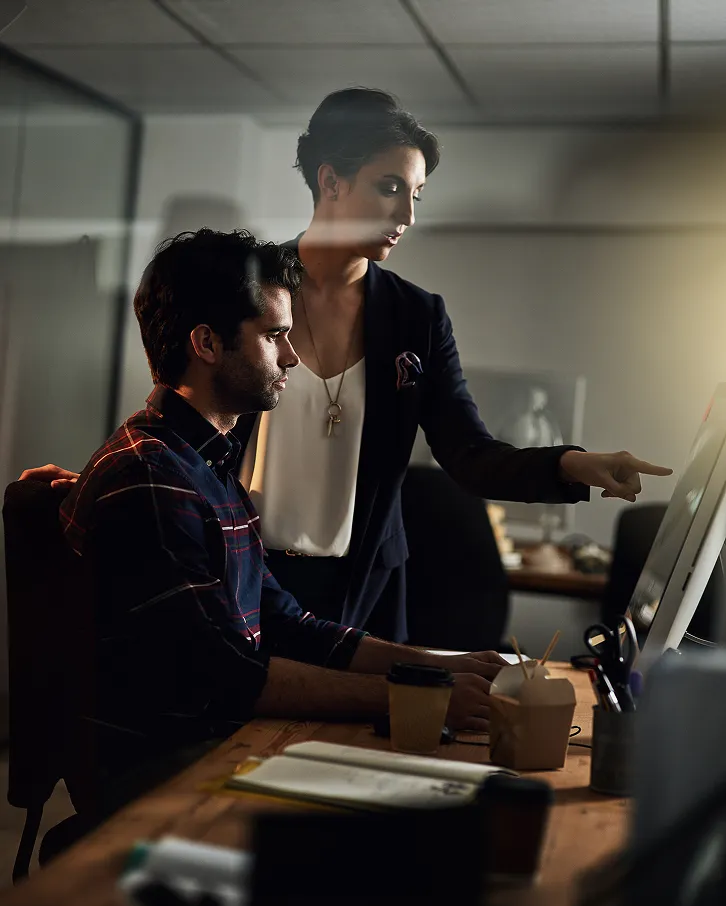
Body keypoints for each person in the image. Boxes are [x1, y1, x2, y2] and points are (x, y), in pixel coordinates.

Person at [23, 88, 672, 645]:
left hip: (362, 583)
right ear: (331, 180)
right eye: (390, 187)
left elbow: (470, 453)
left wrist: (572, 464)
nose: (407, 215)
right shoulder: (247, 283)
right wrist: (102, 483)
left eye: (417, 194)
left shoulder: (417, 317)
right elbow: (189, 405)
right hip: (245, 568)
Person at [58, 228, 509, 792]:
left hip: (219, 740)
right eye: (274, 336)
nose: (293, 357)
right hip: (167, 771)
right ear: (206, 344)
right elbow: (230, 675)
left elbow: (286, 623)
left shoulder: (208, 466)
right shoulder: (151, 478)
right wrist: (418, 694)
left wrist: (435, 666)